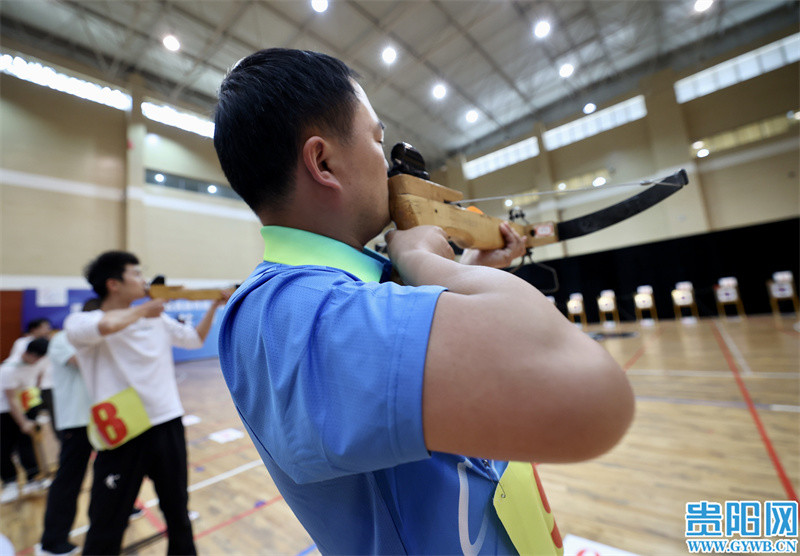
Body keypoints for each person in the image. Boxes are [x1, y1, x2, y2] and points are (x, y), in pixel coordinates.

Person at [212, 48, 635, 554]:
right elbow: (591, 396)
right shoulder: (289, 313)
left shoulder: (348, 288)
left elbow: (409, 340)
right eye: (377, 140)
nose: (385, 165)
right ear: (323, 161)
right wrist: (433, 264)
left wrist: (471, 271)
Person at [64, 251, 230, 555]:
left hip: (167, 424)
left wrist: (212, 307)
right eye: (136, 274)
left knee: (177, 508)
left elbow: (193, 340)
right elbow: (107, 327)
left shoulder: (157, 320)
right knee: (107, 519)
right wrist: (144, 311)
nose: (143, 280)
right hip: (122, 431)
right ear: (113, 284)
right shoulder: (81, 322)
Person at [37, 300, 99, 556]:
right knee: (69, 479)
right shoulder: (63, 339)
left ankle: (120, 510)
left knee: (114, 470)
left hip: (103, 416)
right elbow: (83, 363)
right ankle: (52, 540)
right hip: (77, 419)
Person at [0, 337, 51, 503]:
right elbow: (11, 399)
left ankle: (32, 479)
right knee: (4, 447)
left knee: (27, 444)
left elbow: (38, 376)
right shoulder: (8, 369)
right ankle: (10, 483)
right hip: (5, 410)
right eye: (34, 358)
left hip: (26, 405)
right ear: (27, 353)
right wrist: (23, 423)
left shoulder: (37, 362)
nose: (36, 362)